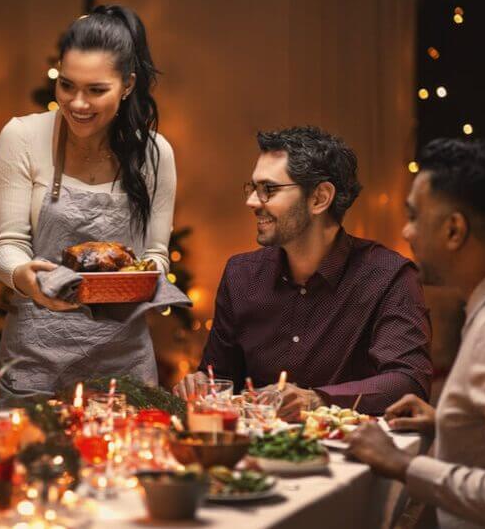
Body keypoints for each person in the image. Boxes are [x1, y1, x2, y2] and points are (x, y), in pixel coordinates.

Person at [175, 126, 432, 419]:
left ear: (320, 198)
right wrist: (200, 385)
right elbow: (218, 378)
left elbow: (408, 382)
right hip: (257, 453)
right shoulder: (241, 275)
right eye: (253, 188)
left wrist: (317, 400)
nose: (252, 202)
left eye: (268, 189)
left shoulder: (388, 276)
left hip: (353, 455)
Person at [0, 5, 177, 396]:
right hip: (34, 360)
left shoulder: (155, 154)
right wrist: (25, 277)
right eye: (67, 84)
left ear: (127, 85)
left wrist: (139, 281)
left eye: (96, 90)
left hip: (124, 365)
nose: (77, 103)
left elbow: (156, 254)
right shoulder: (21, 137)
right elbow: (7, 246)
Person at [347, 138, 485, 528]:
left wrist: (403, 463)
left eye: (415, 216)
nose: (407, 231)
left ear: (454, 230)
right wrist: (449, 421)